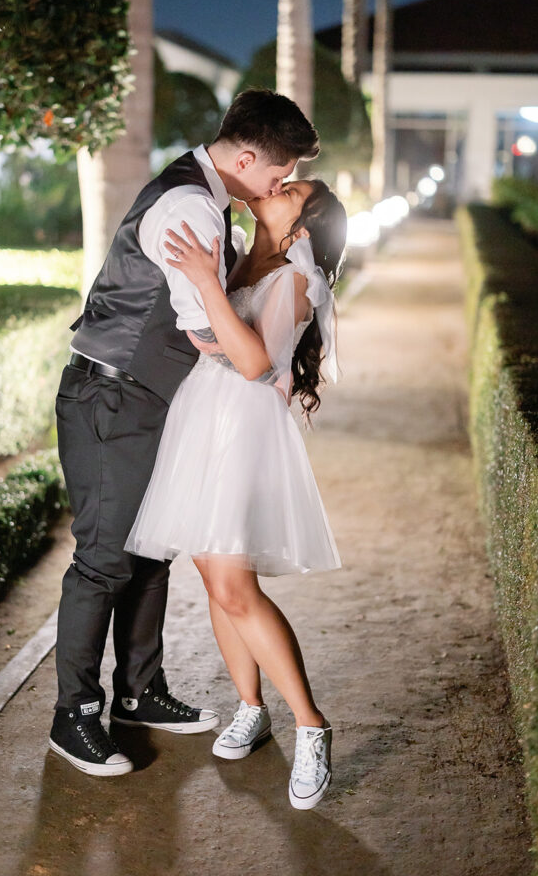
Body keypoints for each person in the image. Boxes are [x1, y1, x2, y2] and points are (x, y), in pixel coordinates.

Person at [49, 89, 320, 777]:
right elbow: (205, 332)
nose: (278, 186)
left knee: (147, 552)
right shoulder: (191, 206)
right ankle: (73, 714)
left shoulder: (211, 203)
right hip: (113, 394)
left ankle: (139, 692)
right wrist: (264, 366)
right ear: (249, 155)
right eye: (277, 174)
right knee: (105, 557)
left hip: (148, 398)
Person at [124, 178, 347, 809]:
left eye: (292, 189)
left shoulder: (297, 277)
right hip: (204, 417)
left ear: (302, 227)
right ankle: (251, 707)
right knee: (213, 570)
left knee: (233, 585)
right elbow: (219, 343)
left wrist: (202, 282)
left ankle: (311, 724)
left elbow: (253, 363)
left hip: (243, 427)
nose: (277, 184)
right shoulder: (241, 246)